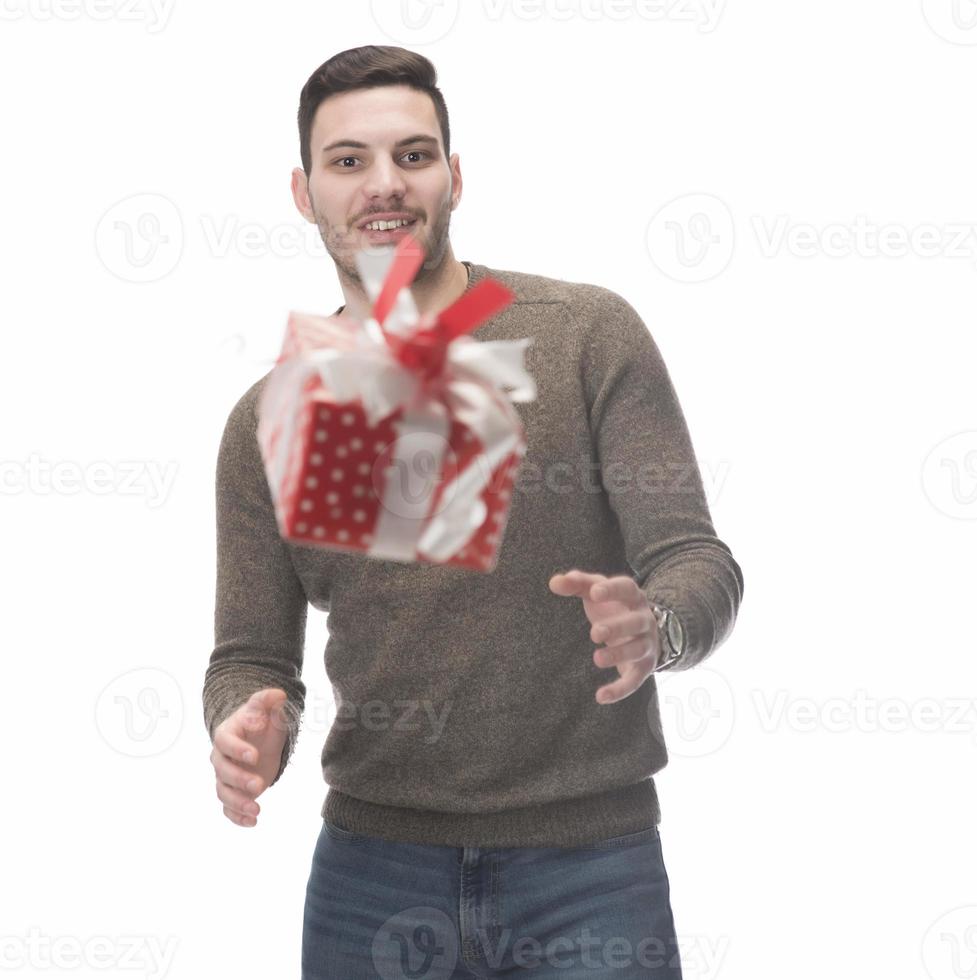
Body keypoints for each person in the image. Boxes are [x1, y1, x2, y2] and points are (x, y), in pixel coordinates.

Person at [203, 44, 744, 979]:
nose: (384, 185)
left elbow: (697, 559)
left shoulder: (582, 335)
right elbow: (251, 656)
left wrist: (653, 627)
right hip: (370, 878)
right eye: (348, 161)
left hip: (589, 869)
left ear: (455, 175)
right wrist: (248, 724)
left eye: (413, 155)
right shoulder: (270, 416)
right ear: (303, 191)